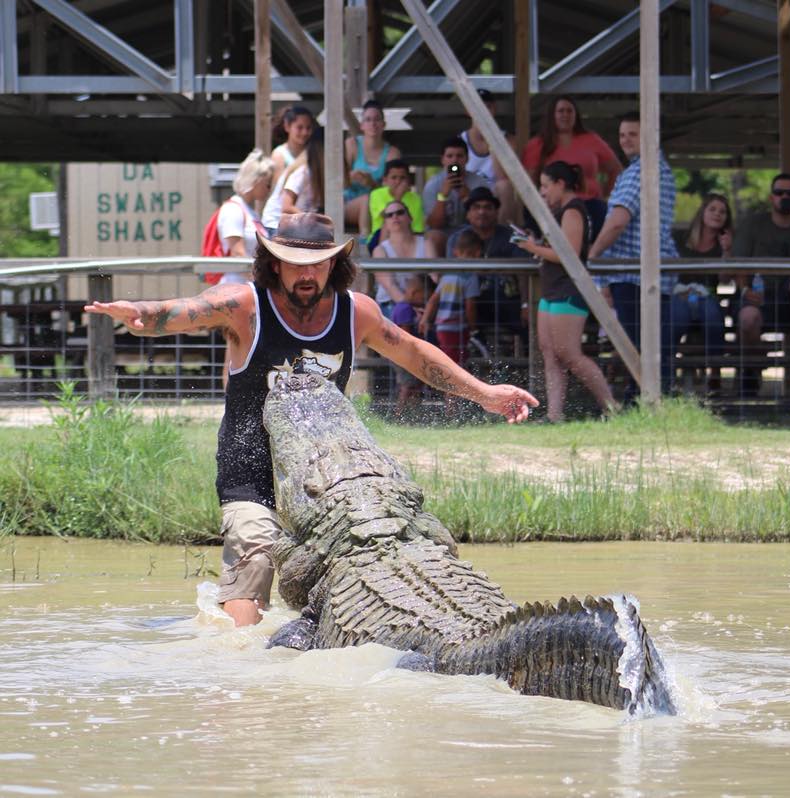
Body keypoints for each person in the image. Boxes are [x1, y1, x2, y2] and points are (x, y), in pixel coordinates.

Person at [84, 212, 538, 627]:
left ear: (334, 263)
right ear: (273, 263)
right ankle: (241, 668)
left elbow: (414, 353)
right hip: (251, 462)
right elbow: (187, 309)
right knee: (256, 558)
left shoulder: (355, 310)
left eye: (317, 262)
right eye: (293, 261)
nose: (306, 273)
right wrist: (143, 313)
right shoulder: (245, 305)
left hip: (325, 474)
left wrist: (485, 394)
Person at [587, 112, 686, 400]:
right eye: (622, 135)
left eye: (633, 134)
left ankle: (641, 400)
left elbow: (619, 219)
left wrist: (594, 255)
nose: (625, 140)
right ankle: (656, 399)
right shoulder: (661, 169)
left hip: (632, 273)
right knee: (654, 347)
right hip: (651, 272)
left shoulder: (639, 172)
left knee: (635, 346)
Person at [515, 161, 618, 422]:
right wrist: (537, 244)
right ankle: (554, 415)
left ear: (561, 184)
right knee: (550, 352)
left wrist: (531, 247)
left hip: (568, 290)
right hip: (552, 289)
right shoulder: (563, 211)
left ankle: (612, 407)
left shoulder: (573, 211)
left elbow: (569, 253)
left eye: (546, 185)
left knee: (570, 354)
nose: (543, 192)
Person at [731, 173, 790, 395]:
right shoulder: (752, 224)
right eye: (780, 193)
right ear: (771, 197)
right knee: (748, 318)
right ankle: (750, 371)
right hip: (757, 294)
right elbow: (738, 264)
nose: (785, 197)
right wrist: (745, 290)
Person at [521, 95, 622, 237]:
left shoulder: (591, 139)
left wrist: (607, 196)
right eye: (561, 111)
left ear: (576, 115)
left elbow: (616, 169)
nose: (565, 115)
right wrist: (543, 203)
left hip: (591, 204)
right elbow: (528, 183)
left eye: (570, 111)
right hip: (552, 206)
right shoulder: (537, 144)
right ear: (552, 115)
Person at [447, 186, 529, 341]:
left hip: (506, 300)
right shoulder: (457, 239)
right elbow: (450, 275)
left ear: (496, 212)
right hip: (468, 301)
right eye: (476, 207)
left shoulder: (511, 237)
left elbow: (524, 273)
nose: (482, 212)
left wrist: (526, 305)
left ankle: (529, 364)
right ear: (468, 213)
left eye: (487, 207)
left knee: (528, 324)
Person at [673, 193, 734, 395]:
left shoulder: (724, 244)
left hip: (707, 296)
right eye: (713, 209)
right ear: (703, 212)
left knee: (713, 318)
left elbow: (725, 279)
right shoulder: (681, 239)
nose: (717, 214)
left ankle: (715, 374)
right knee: (673, 319)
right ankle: (668, 375)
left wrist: (726, 251)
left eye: (722, 212)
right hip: (680, 293)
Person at [419, 230, 483, 417]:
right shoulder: (470, 278)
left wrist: (425, 319)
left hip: (442, 327)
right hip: (457, 328)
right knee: (454, 366)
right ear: (477, 253)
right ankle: (451, 409)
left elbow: (433, 299)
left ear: (456, 252)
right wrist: (473, 327)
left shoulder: (447, 275)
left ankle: (454, 404)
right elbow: (470, 306)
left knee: (452, 363)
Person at [215, 149, 275, 284]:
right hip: (235, 288)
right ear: (256, 181)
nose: (269, 189)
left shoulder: (252, 212)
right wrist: (262, 283)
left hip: (248, 286)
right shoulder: (233, 209)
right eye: (268, 183)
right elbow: (237, 253)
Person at [371, 199, 437, 319]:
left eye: (400, 212)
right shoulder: (380, 250)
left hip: (424, 304)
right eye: (389, 215)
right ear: (385, 223)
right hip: (391, 306)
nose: (395, 216)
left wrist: (430, 307)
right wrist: (410, 309)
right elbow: (390, 287)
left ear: (410, 217)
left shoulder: (426, 243)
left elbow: (435, 277)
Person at [344, 100, 402, 237]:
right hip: (348, 203)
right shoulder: (352, 145)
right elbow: (336, 181)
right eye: (368, 120)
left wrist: (372, 184)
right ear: (362, 125)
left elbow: (395, 189)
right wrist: (351, 176)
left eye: (377, 120)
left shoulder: (392, 153)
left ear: (384, 124)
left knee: (373, 200)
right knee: (366, 199)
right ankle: (365, 239)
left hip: (379, 205)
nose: (373, 124)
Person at [459, 89, 517, 223]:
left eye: (487, 107)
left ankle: (504, 236)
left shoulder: (509, 140)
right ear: (468, 111)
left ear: (494, 110)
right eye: (477, 107)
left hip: (495, 200)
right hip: (469, 197)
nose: (482, 112)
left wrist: (493, 141)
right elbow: (454, 173)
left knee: (505, 186)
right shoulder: (459, 142)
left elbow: (503, 176)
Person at [422, 137, 488, 254]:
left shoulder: (479, 183)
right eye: (450, 156)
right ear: (442, 160)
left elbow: (483, 220)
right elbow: (433, 224)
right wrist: (443, 196)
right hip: (443, 234)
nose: (454, 161)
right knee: (432, 237)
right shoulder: (433, 185)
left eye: (459, 156)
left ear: (467, 159)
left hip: (471, 232)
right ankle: (435, 273)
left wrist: (467, 197)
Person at [262, 127, 324, 235]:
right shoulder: (302, 172)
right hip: (275, 226)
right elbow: (286, 207)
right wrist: (312, 220)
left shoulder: (315, 174)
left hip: (294, 226)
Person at [391, 274, 430, 420]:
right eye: (423, 297)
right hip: (403, 355)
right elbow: (404, 335)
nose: (424, 301)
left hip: (405, 355)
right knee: (407, 385)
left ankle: (414, 415)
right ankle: (398, 415)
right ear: (415, 293)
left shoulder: (406, 308)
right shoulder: (404, 309)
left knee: (414, 385)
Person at [367, 159, 425, 247]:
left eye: (402, 178)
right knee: (389, 226)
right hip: (378, 238)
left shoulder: (415, 198)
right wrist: (399, 196)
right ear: (385, 180)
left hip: (406, 237)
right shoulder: (376, 194)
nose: (398, 182)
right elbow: (386, 216)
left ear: (408, 180)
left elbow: (417, 228)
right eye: (394, 177)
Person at [270, 106, 314, 186]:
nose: (305, 132)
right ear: (287, 126)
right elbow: (278, 187)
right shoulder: (279, 154)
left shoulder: (314, 152)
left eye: (308, 128)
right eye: (299, 127)